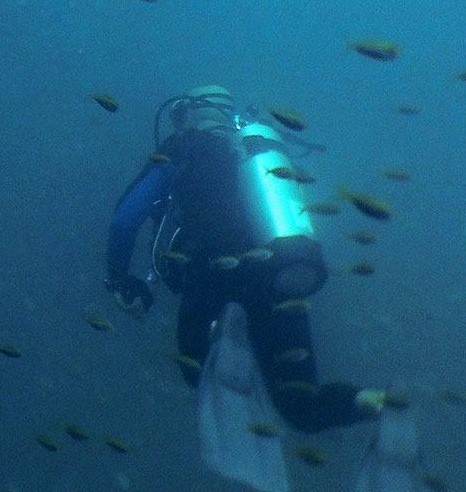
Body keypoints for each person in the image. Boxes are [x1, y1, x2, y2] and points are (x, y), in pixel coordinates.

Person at [106, 86, 382, 430]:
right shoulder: (261, 151)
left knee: (196, 371)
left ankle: (227, 357)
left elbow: (124, 220)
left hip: (209, 277)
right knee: (301, 403)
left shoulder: (182, 148)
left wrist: (118, 278)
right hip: (276, 275)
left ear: (189, 113)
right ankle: (367, 402)